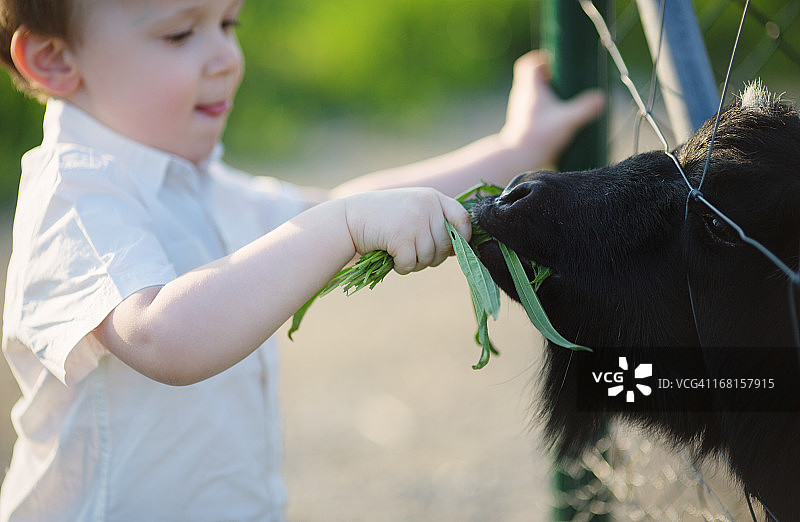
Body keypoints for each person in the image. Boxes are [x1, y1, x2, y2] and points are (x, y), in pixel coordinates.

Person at [0, 0, 604, 520]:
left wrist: (514, 150)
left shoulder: (191, 181)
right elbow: (160, 336)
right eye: (181, 33)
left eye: (229, 23)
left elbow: (341, 206)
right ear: (54, 59)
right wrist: (340, 226)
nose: (225, 58)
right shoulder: (74, 195)